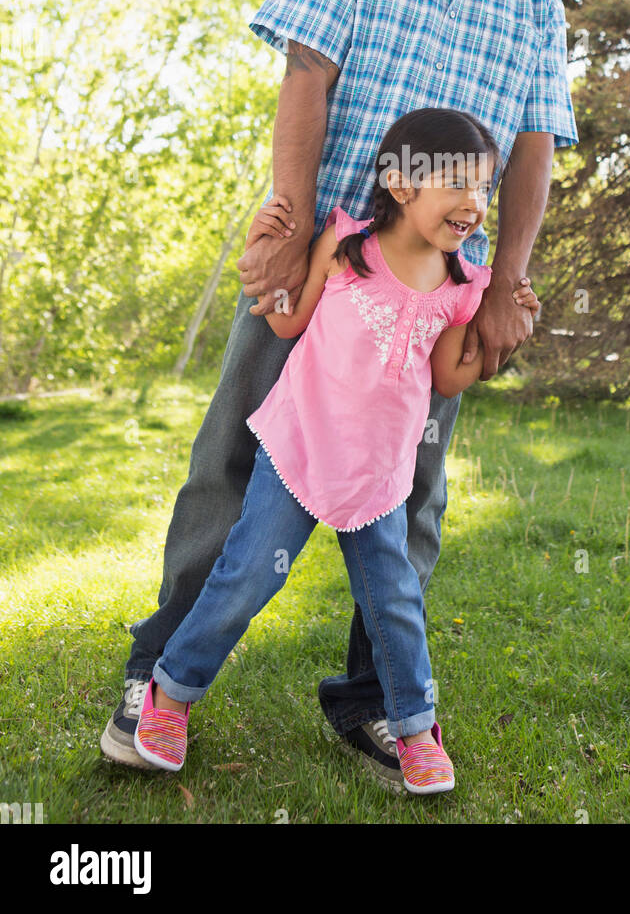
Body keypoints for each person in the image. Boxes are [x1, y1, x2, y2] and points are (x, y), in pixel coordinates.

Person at [101, 0, 580, 790]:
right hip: (325, 265)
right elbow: (306, 79)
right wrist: (285, 224)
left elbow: (533, 149)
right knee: (232, 472)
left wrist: (507, 283)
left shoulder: (535, 1)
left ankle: (375, 704)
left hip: (432, 296)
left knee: (406, 506)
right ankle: (158, 676)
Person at [132, 109, 541, 794]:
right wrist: (265, 271)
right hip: (299, 450)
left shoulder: (463, 287)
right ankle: (169, 695)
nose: (474, 203)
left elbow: (446, 380)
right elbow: (290, 322)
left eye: (485, 188)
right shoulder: (347, 245)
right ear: (401, 184)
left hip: (380, 475)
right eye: (457, 184)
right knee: (246, 578)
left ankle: (415, 729)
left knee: (394, 602)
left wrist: (507, 346)